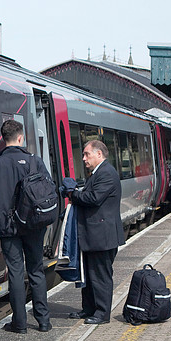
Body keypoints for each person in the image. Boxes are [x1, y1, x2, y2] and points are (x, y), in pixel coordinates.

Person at [0, 119, 52, 333]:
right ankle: (44, 322)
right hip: (33, 226)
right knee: (36, 270)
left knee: (15, 272)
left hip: (8, 228)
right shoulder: (34, 162)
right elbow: (48, 192)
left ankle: (20, 324)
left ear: (4, 140)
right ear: (21, 138)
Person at [65, 139, 124, 325]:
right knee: (89, 275)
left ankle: (102, 313)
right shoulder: (97, 173)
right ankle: (89, 308)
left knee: (100, 276)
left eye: (86, 154)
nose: (83, 158)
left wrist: (73, 193)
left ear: (99, 154)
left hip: (103, 236)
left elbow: (93, 198)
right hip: (94, 235)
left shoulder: (106, 173)